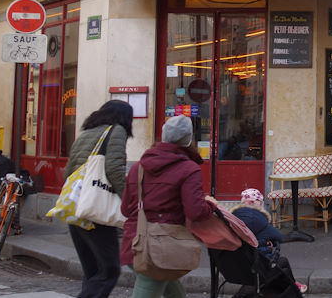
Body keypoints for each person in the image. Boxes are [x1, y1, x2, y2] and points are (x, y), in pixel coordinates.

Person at [120, 115, 216, 297]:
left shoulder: (138, 167)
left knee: (175, 292)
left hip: (135, 242)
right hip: (159, 248)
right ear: (188, 139)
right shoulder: (189, 169)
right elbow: (195, 211)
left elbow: (125, 209)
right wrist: (210, 205)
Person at [65, 100, 132, 298]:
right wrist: (128, 202)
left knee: (93, 271)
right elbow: (114, 169)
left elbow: (69, 171)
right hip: (96, 209)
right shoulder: (117, 131)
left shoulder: (86, 132)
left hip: (76, 207)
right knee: (110, 270)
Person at [231, 188, 308, 295]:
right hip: (259, 267)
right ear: (257, 203)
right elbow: (278, 237)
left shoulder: (234, 219)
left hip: (239, 268)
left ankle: (294, 285)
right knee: (282, 262)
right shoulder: (258, 218)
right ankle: (294, 287)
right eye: (261, 202)